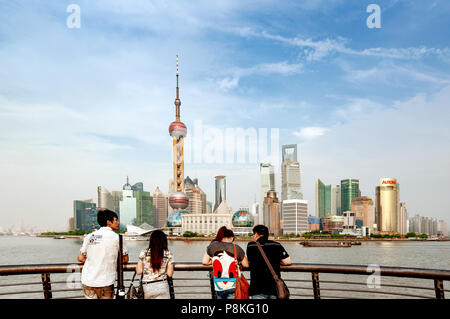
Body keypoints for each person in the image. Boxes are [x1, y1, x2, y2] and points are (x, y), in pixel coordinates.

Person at [77, 209, 129, 299]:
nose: (118, 222)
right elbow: (125, 259)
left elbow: (81, 258)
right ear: (109, 222)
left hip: (88, 281)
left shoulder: (89, 236)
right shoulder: (117, 238)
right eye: (116, 220)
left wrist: (95, 259)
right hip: (105, 281)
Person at [202, 226, 249, 299]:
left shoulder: (212, 246)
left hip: (218, 286)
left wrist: (213, 261)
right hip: (233, 285)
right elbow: (246, 265)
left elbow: (205, 261)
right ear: (232, 237)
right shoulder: (236, 247)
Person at [246, 225, 291, 299]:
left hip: (257, 288)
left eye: (253, 234)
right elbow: (287, 262)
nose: (252, 236)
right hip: (274, 289)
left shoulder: (251, 246)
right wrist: (277, 261)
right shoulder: (276, 245)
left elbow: (250, 260)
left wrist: (255, 241)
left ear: (256, 234)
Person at [136, 230, 174, 299]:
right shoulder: (168, 254)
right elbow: (169, 274)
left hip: (147, 287)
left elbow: (139, 271)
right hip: (162, 285)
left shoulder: (144, 253)